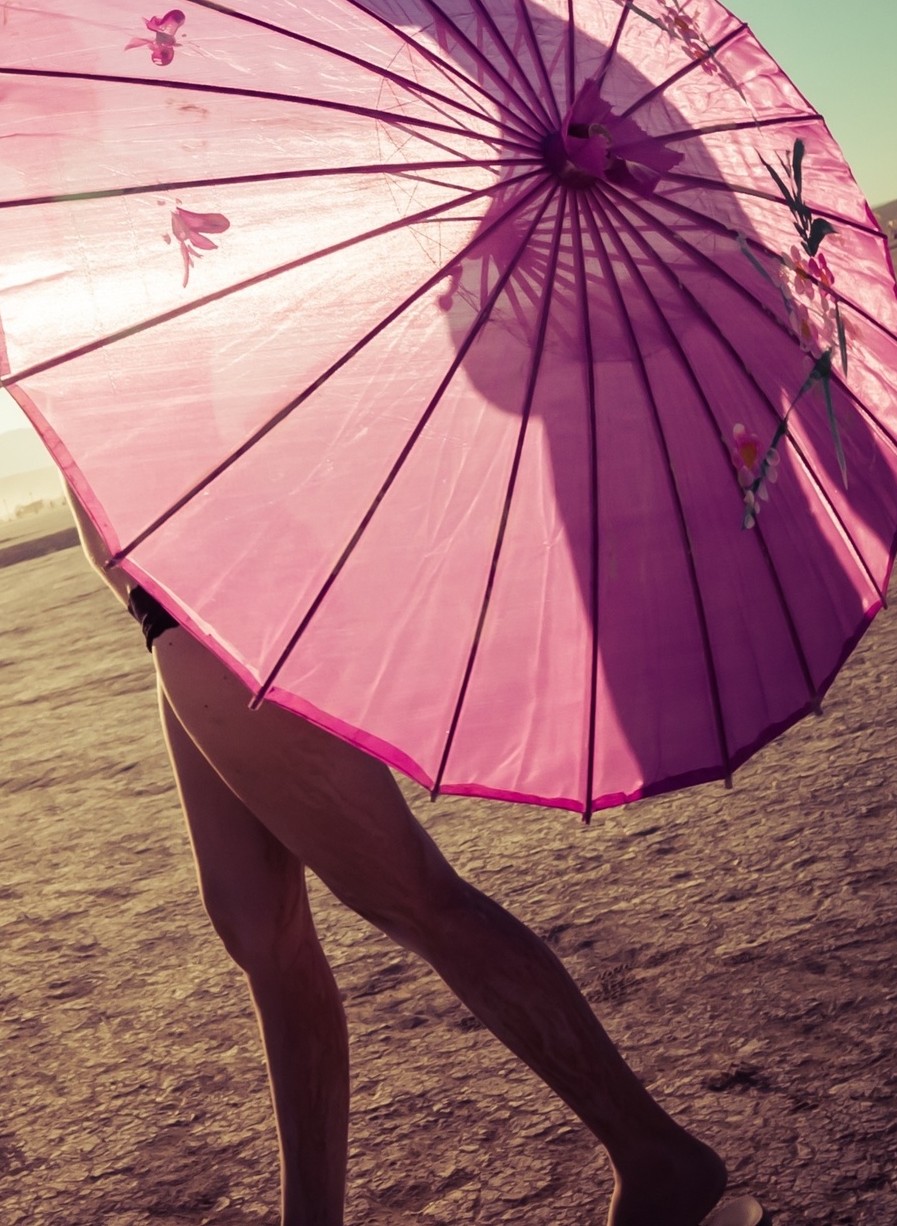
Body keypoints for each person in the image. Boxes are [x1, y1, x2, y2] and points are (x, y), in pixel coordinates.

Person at [68, 491, 754, 1226]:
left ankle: (656, 1158)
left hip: (216, 590)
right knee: (258, 929)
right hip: (169, 608)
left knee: (414, 897)